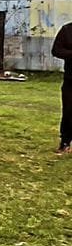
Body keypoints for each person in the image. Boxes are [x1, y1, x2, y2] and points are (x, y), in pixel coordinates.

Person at [53, 21, 72, 155]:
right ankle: (65, 142)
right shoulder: (67, 30)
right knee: (69, 111)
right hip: (71, 79)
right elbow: (56, 50)